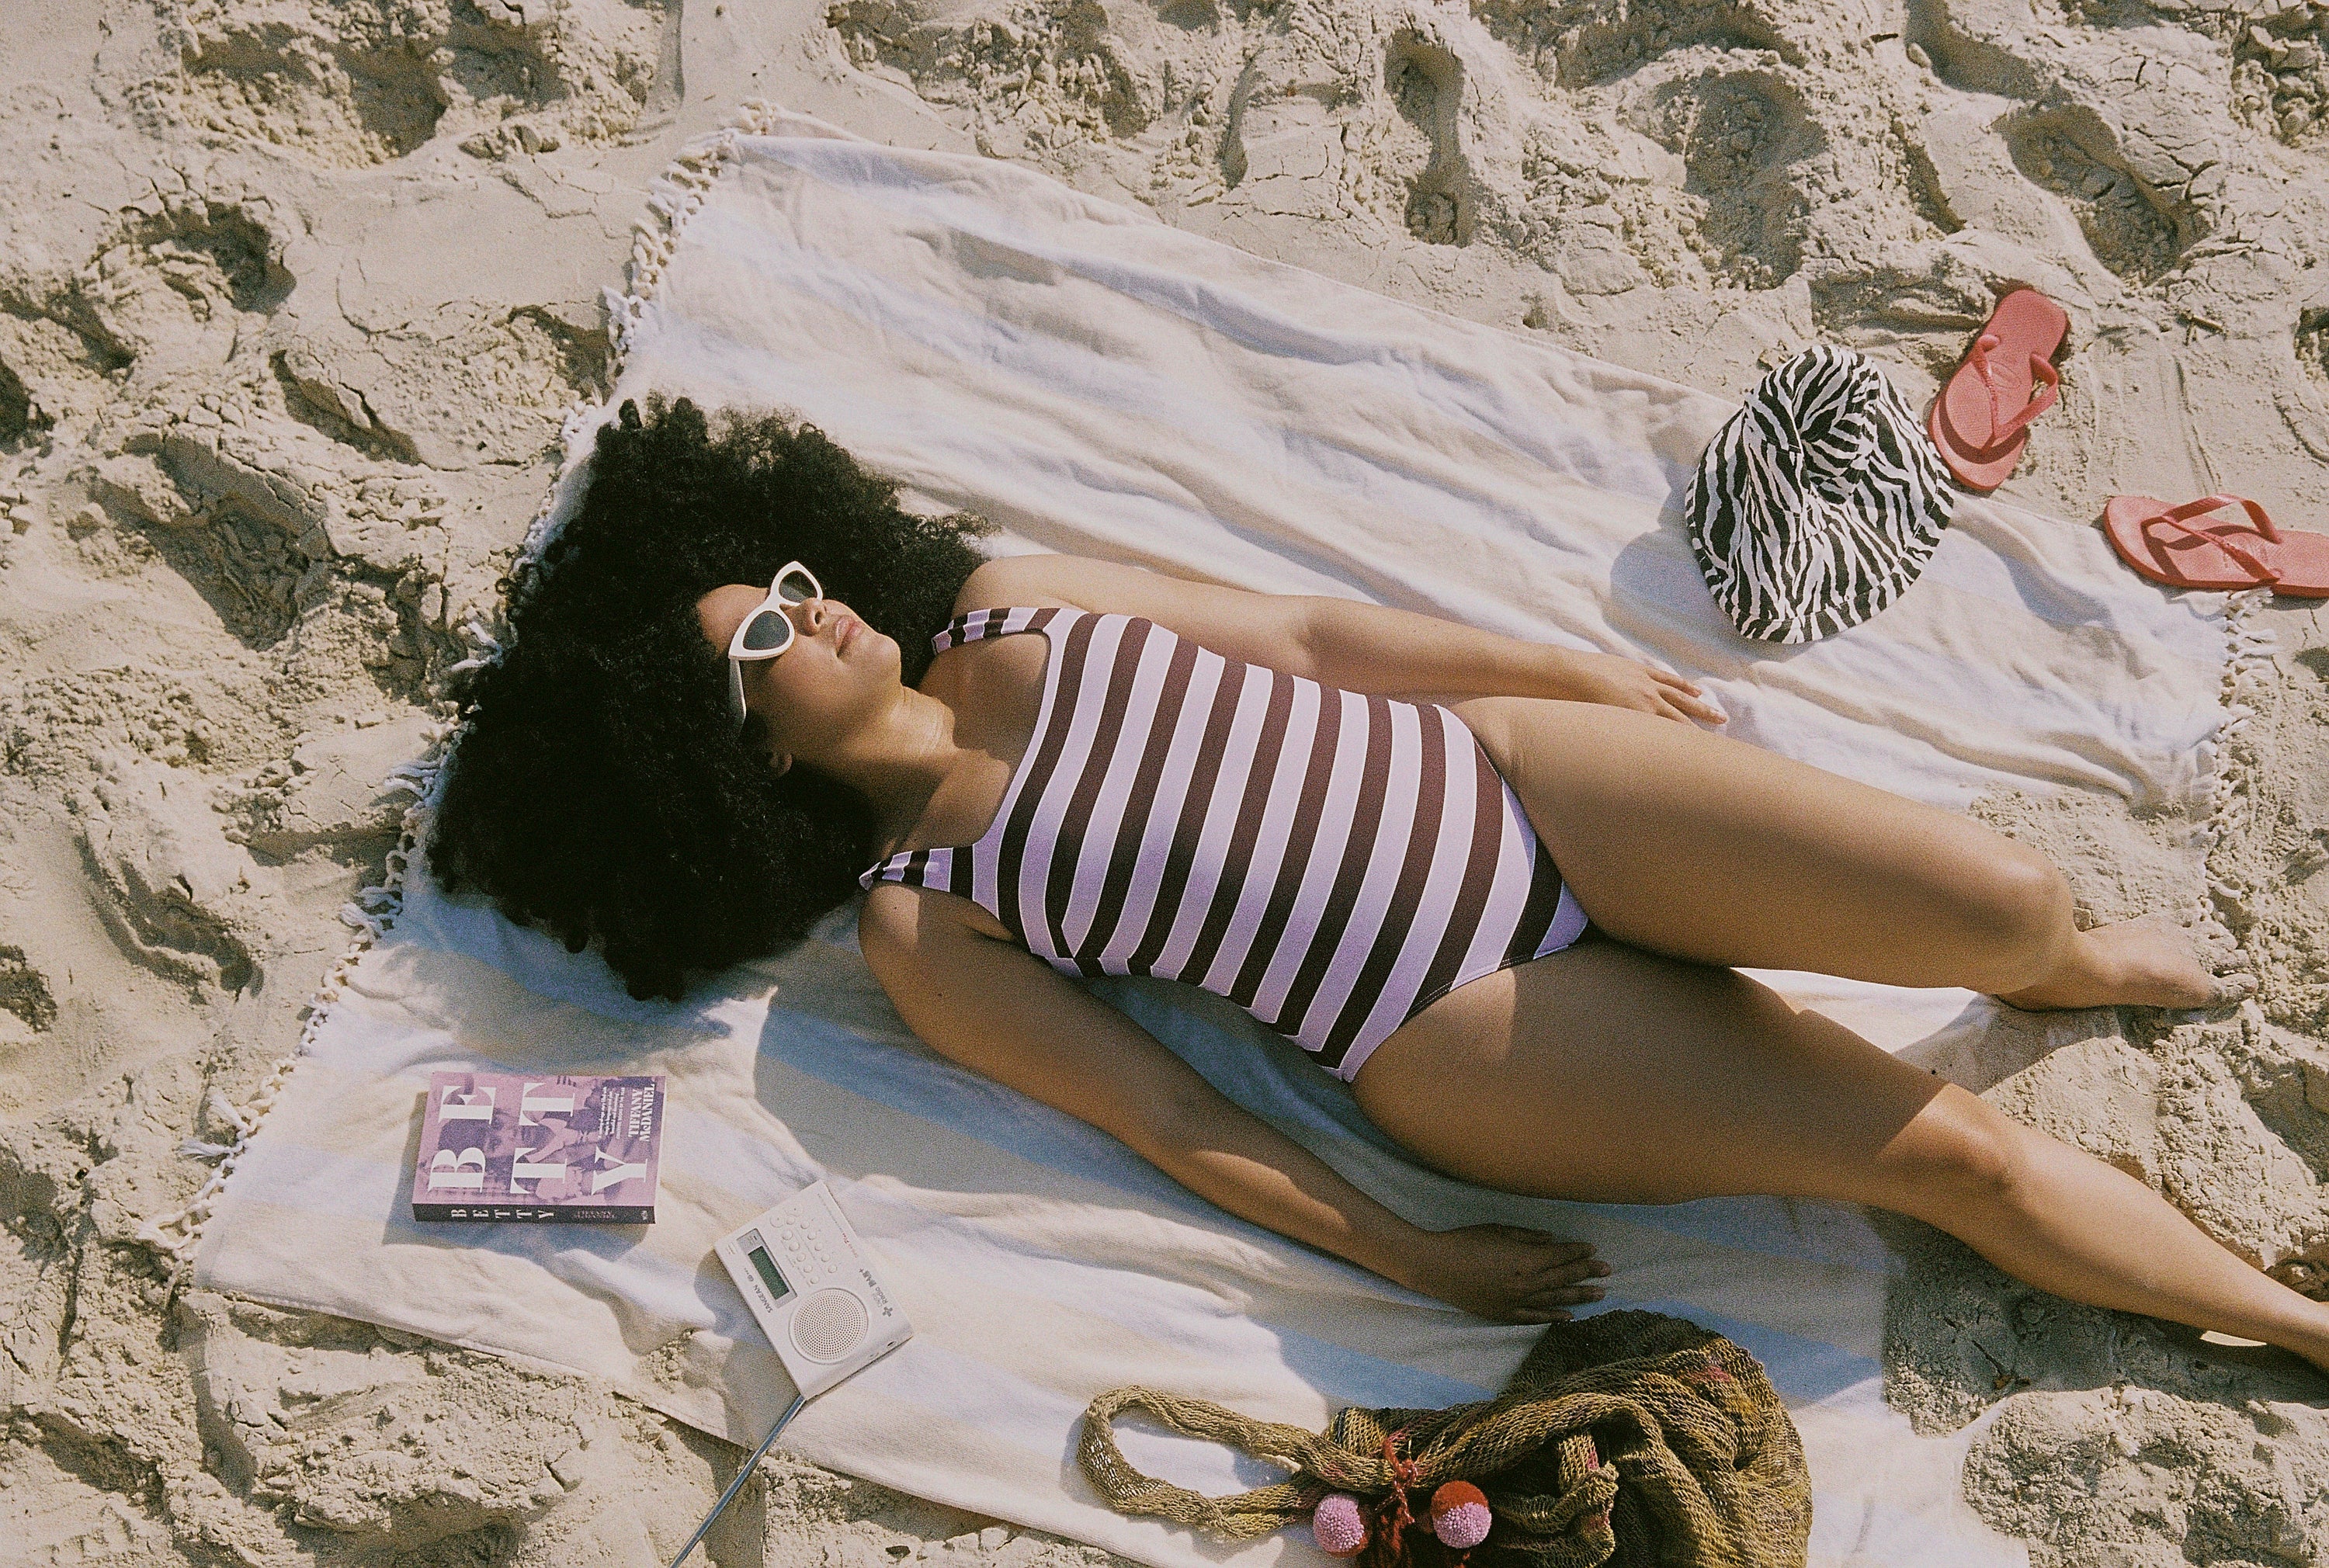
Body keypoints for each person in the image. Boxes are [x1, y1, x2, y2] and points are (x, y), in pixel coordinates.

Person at [432, 396, 2328, 1372]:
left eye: (785, 577)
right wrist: (1399, 1249)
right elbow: (1173, 1114)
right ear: (742, 754)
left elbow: (1320, 631)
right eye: (769, 635)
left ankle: (2063, 961)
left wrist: (1566, 672)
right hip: (1462, 1033)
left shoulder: (1008, 608)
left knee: (1998, 899)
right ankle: (2300, 1320)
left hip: (1522, 782)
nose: (811, 600)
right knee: (1943, 1160)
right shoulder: (923, 926)